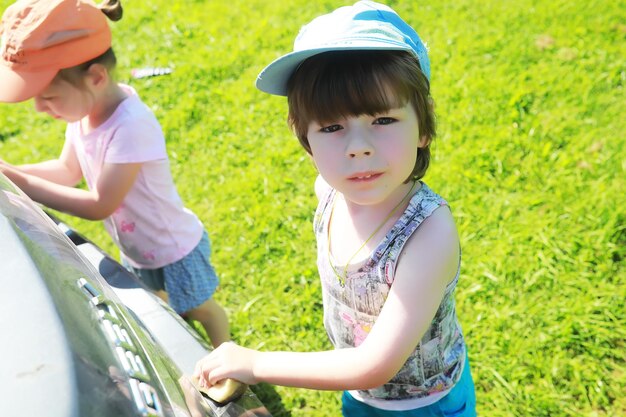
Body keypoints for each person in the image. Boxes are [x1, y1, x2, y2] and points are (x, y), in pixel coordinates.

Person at [194, 1, 477, 415]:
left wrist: (257, 363)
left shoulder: (429, 233)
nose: (358, 147)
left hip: (424, 405)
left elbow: (375, 364)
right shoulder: (327, 192)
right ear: (304, 137)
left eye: (383, 120)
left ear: (424, 124)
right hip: (355, 388)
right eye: (331, 127)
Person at [0, 0, 229, 348]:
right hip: (138, 249)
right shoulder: (83, 116)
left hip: (173, 247)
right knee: (160, 312)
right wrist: (10, 173)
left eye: (48, 97)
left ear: (95, 77)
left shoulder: (130, 126)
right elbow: (65, 171)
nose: (39, 107)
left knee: (200, 309)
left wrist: (22, 182)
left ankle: (227, 355)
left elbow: (100, 204)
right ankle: (190, 355)